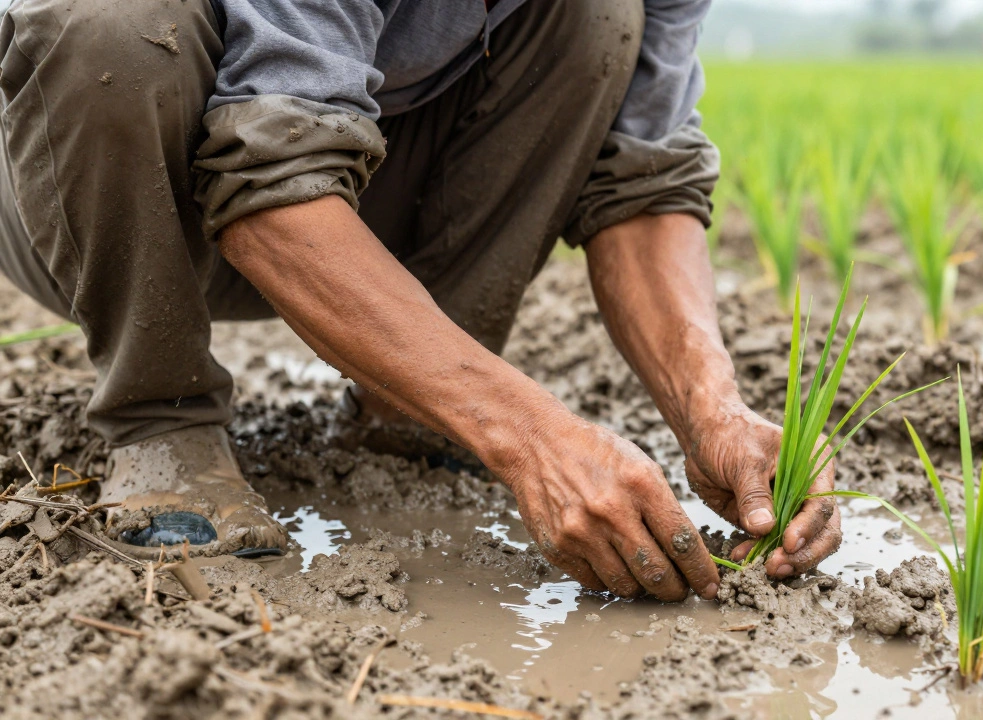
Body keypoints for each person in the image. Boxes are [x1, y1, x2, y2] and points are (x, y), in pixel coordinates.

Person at [0, 0, 840, 601]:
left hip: (343, 177)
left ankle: (413, 406)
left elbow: (642, 183)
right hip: (97, 182)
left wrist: (712, 409)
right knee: (110, 18)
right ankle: (161, 422)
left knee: (595, 18)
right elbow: (268, 189)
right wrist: (530, 435)